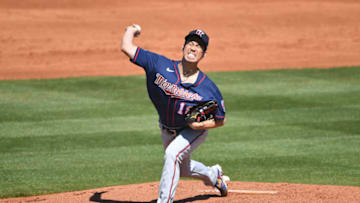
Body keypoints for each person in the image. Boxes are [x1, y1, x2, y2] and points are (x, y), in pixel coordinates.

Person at [121, 24, 229, 203]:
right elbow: (127, 47)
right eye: (190, 43)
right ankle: (214, 175)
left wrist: (200, 125)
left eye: (199, 46)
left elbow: (220, 119)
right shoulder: (159, 65)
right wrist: (131, 30)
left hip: (193, 130)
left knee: (172, 155)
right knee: (183, 168)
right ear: (183, 46)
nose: (193, 47)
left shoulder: (208, 88)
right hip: (166, 128)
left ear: (203, 54)